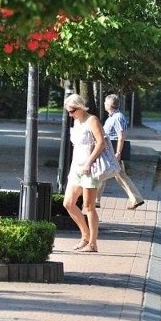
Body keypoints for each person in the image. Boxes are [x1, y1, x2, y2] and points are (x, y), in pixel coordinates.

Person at [63, 93, 105, 253]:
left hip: (90, 168)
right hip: (76, 168)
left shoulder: (91, 120)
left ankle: (93, 243)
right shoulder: (76, 122)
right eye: (68, 111)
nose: (70, 114)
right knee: (68, 203)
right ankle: (85, 235)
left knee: (88, 206)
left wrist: (89, 162)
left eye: (72, 110)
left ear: (80, 107)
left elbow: (101, 143)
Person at [96, 94, 145, 210]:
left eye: (105, 102)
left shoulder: (117, 117)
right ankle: (96, 200)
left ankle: (136, 199)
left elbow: (121, 136)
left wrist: (118, 152)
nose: (104, 104)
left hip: (112, 150)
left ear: (109, 104)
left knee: (112, 174)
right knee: (107, 173)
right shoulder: (112, 117)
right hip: (109, 149)